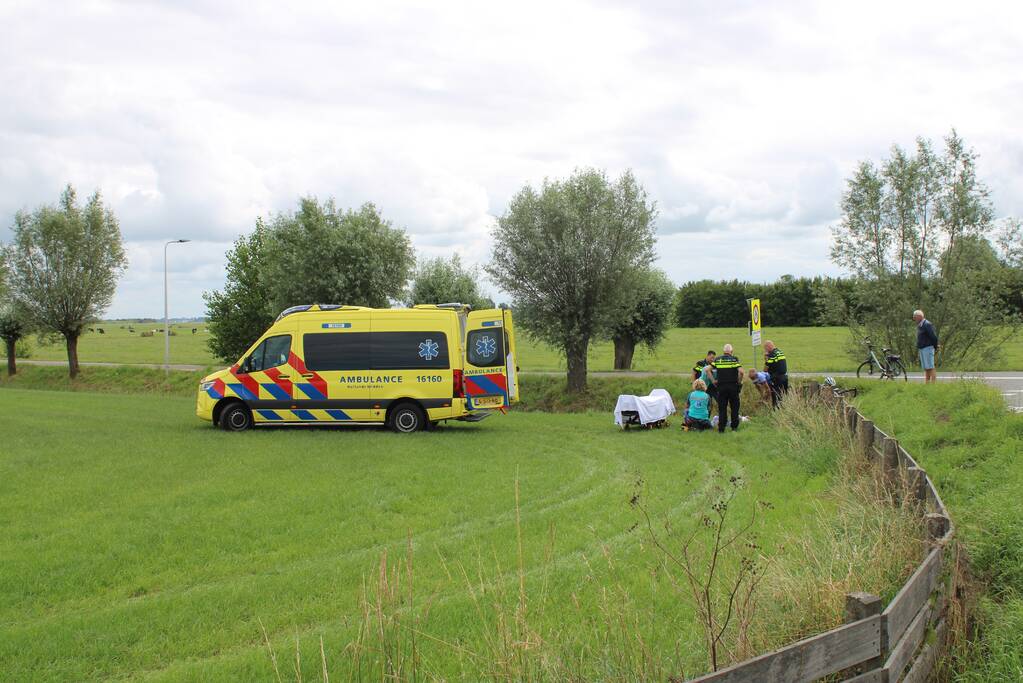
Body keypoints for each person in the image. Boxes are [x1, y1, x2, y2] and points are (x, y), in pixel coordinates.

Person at [712, 344, 743, 432]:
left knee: (722, 408)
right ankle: (734, 428)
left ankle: (721, 429)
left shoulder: (718, 359)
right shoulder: (734, 359)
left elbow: (707, 369)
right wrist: (739, 382)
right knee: (734, 408)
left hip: (721, 387)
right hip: (733, 387)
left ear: (723, 352)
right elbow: (741, 372)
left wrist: (713, 380)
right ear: (731, 352)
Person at [913, 310, 939, 384]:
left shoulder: (927, 324)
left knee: (930, 366)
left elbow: (933, 337)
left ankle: (933, 384)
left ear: (919, 316)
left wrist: (935, 346)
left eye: (915, 317)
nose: (914, 319)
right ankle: (927, 383)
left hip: (928, 348)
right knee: (926, 367)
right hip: (922, 348)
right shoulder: (921, 325)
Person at [763, 340, 789, 408]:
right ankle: (785, 410)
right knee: (784, 395)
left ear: (768, 347)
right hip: (784, 377)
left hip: (777, 378)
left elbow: (765, 369)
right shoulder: (780, 352)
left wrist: (766, 359)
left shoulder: (772, 355)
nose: (765, 351)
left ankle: (777, 412)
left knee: (776, 396)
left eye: (765, 349)